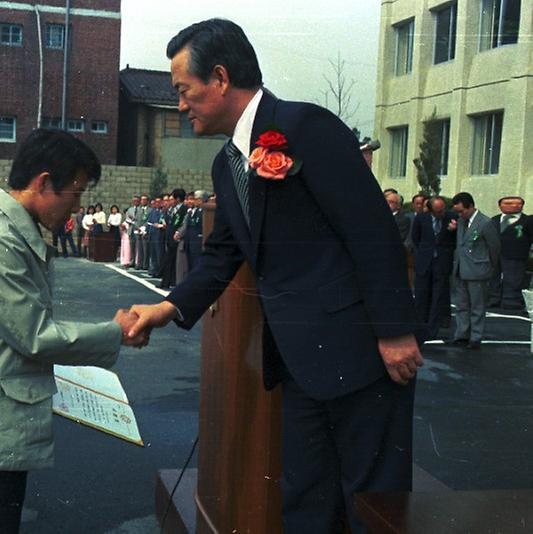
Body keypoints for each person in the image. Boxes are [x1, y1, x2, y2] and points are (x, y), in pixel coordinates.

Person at [127, 19, 422, 533]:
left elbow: (371, 230)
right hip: (297, 362)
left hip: (361, 355)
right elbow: (222, 255)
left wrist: (395, 332)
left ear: (219, 78)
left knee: (372, 505)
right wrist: (167, 307)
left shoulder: (308, 127)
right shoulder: (227, 164)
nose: (179, 105)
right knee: (305, 501)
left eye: (183, 90)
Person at [0, 129, 144, 534]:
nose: (78, 205)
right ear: (43, 183)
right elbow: (35, 335)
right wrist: (115, 331)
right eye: (76, 193)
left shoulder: (11, 229)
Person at [450, 192, 500, 349]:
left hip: (478, 270)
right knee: (461, 305)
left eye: (461, 211)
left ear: (470, 206)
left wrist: (490, 267)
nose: (460, 214)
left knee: (477, 306)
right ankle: (462, 334)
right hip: (460, 269)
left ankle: (476, 337)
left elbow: (494, 247)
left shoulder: (485, 223)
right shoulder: (461, 221)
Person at [411, 197, 457, 339]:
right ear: (430, 210)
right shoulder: (421, 218)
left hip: (442, 262)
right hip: (425, 261)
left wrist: (453, 230)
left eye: (443, 209)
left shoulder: (452, 218)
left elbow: (457, 239)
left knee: (438, 297)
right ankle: (419, 326)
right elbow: (416, 238)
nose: (441, 213)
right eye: (438, 211)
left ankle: (433, 329)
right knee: (421, 295)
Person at [489, 196, 533, 310]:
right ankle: (494, 298)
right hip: (495, 254)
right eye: (508, 203)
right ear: (500, 206)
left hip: (516, 253)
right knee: (494, 277)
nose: (513, 206)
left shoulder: (527, 220)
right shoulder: (494, 220)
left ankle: (512, 301)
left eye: (518, 204)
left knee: (514, 279)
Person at [158, 188, 187, 289]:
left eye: (173, 198)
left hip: (177, 239)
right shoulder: (173, 209)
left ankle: (168, 282)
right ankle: (167, 282)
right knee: (169, 261)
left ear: (178, 199)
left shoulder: (183, 209)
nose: (171, 201)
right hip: (170, 238)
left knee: (172, 262)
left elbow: (180, 224)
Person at [134, 194, 150, 269]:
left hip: (145, 231)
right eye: (142, 200)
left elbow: (149, 220)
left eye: (144, 200)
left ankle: (145, 265)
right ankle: (139, 264)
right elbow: (136, 220)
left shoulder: (150, 210)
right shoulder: (138, 209)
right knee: (139, 249)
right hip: (138, 231)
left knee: (146, 249)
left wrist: (144, 228)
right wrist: (137, 227)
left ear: (147, 201)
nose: (143, 201)